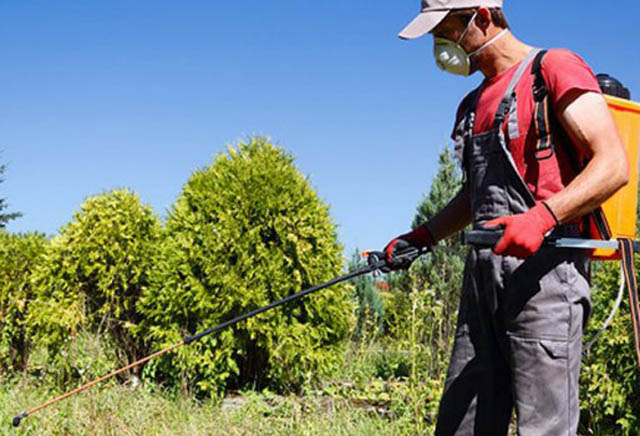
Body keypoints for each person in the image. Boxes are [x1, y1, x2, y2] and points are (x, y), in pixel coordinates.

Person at [384, 1, 630, 434]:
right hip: (482, 280)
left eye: (445, 30)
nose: (441, 46)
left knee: (544, 427)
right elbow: (475, 195)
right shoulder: (471, 103)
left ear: (481, 16)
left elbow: (612, 165)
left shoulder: (552, 69)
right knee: (464, 423)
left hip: (547, 279)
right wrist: (423, 236)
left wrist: (541, 218)